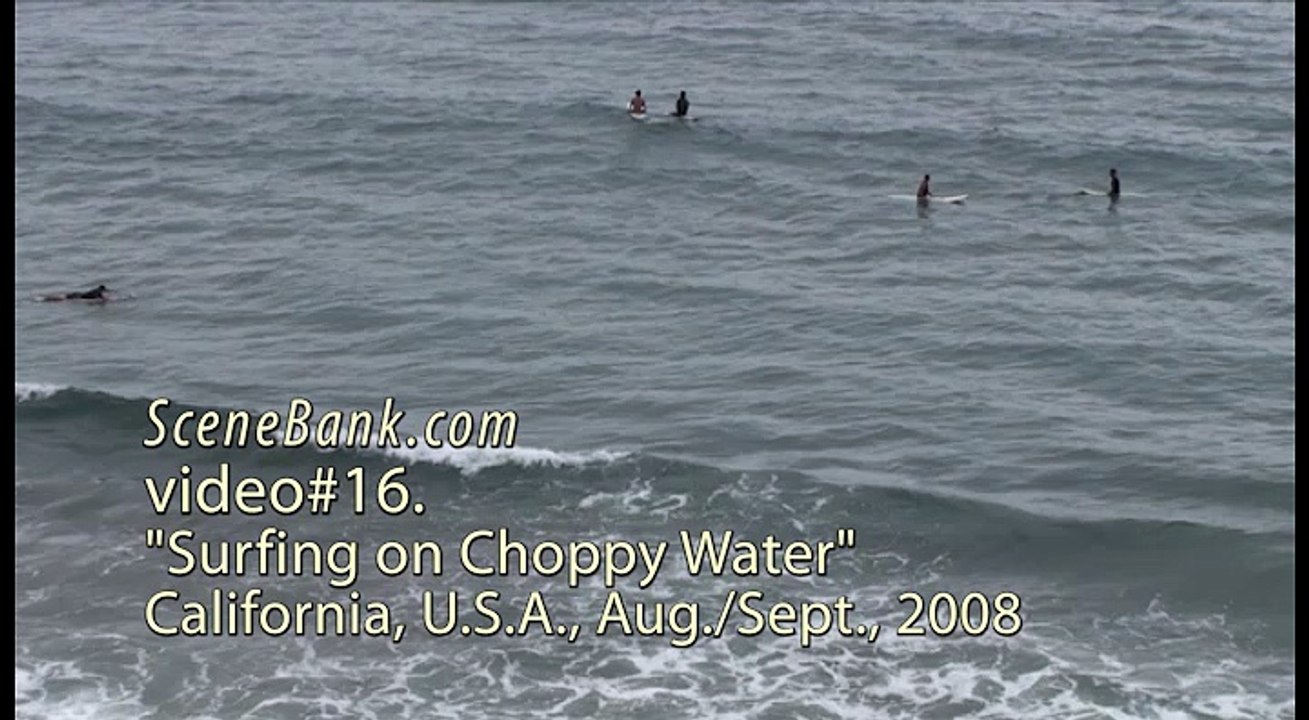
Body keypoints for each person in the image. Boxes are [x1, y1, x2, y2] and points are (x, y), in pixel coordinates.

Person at [43, 284, 109, 302]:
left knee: (64, 297)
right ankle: (47, 299)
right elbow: (102, 298)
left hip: (78, 294)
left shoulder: (95, 290)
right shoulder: (98, 292)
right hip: (79, 296)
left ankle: (47, 299)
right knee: (63, 299)